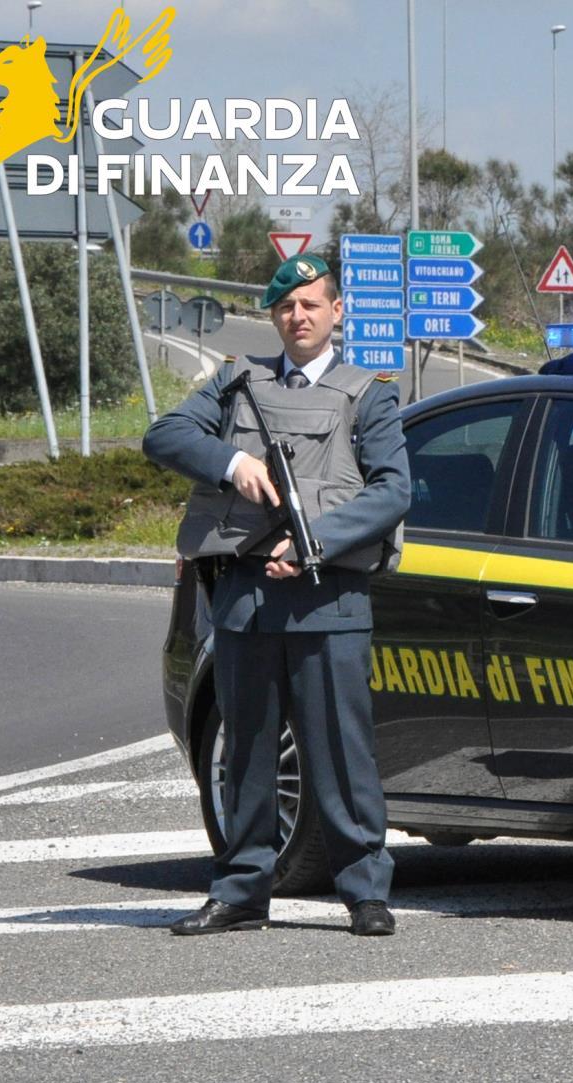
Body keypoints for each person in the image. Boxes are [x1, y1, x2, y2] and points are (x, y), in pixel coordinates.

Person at [145, 254, 411, 936]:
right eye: (287, 306)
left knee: (342, 753)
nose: (299, 317)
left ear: (337, 311)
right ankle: (241, 889)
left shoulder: (369, 394)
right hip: (245, 596)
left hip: (328, 598)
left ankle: (364, 891)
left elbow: (392, 490)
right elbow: (165, 434)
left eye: (312, 304)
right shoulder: (238, 381)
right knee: (247, 754)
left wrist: (314, 539)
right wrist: (234, 464)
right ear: (273, 314)